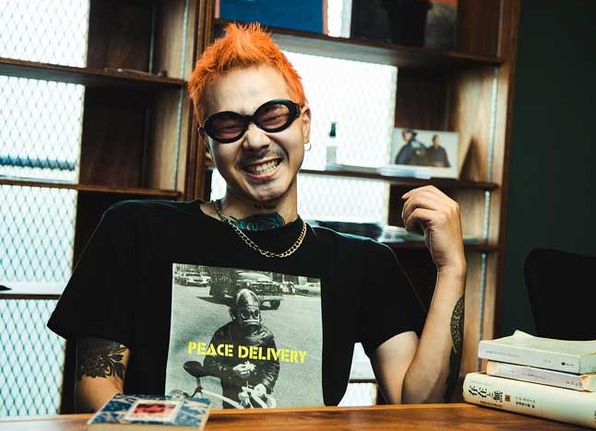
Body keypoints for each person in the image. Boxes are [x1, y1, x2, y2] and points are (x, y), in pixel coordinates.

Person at [48, 23, 466, 412]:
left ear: (304, 125)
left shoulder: (364, 263)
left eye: (272, 116)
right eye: (229, 125)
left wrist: (452, 269)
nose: (254, 140)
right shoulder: (135, 230)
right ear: (207, 145)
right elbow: (96, 388)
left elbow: (420, 404)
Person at [199, 289, 279, 408]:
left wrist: (264, 385)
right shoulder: (223, 334)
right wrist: (232, 371)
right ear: (235, 314)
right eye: (245, 314)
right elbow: (209, 363)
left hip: (258, 392)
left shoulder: (266, 335)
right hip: (231, 391)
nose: (250, 320)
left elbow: (273, 364)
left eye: (255, 313)